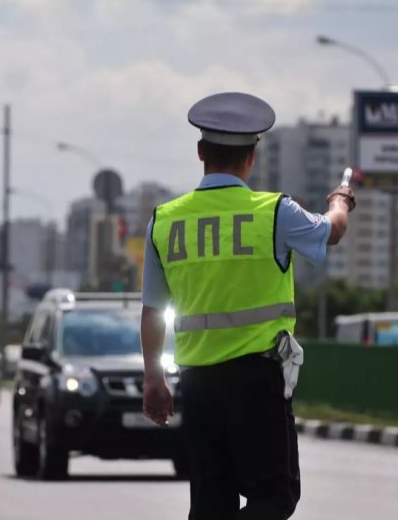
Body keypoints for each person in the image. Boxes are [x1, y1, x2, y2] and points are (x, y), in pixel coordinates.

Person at [140, 92, 355, 520]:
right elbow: (331, 232)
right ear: (252, 157)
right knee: (274, 496)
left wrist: (153, 379)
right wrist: (340, 201)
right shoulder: (274, 212)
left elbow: (151, 310)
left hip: (197, 382)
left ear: (201, 152)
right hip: (257, 380)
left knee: (210, 502)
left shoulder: (165, 220)